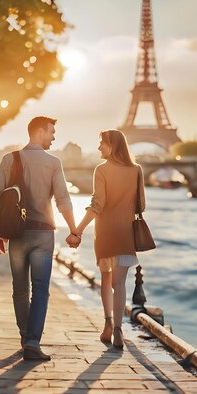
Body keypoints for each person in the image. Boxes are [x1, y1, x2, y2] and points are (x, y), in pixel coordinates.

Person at [0, 116, 79, 361]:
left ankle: (24, 336)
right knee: (40, 290)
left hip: (16, 234)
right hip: (43, 234)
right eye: (51, 132)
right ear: (39, 132)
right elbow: (63, 200)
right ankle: (32, 342)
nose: (53, 137)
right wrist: (73, 230)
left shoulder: (10, 159)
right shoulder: (53, 163)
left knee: (20, 289)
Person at [67, 129, 144, 349]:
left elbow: (96, 205)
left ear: (113, 145)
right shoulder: (136, 170)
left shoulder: (101, 170)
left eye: (102, 143)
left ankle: (108, 324)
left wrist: (77, 231)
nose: (99, 147)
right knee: (120, 283)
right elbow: (142, 205)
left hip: (106, 234)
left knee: (106, 280)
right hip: (126, 233)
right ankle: (119, 331)